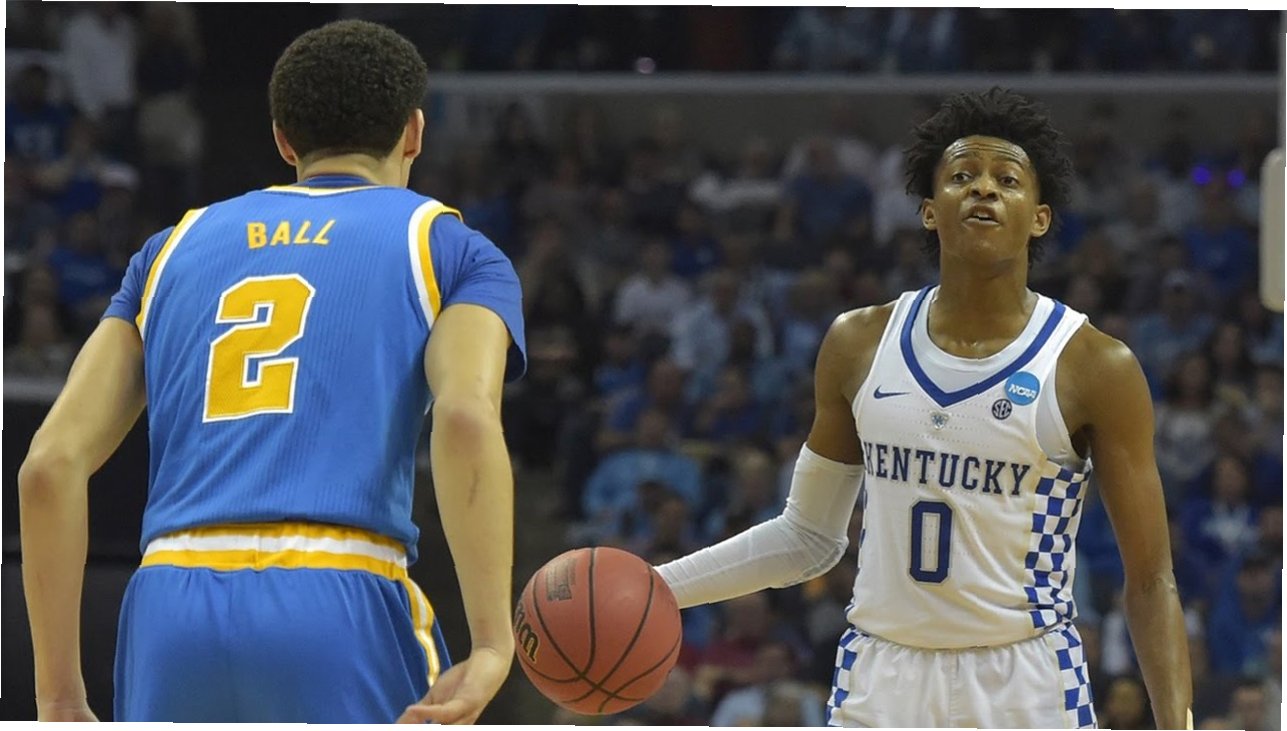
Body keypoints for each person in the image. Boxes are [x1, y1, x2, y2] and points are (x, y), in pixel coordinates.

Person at [19, 20, 526, 724]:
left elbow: (47, 466)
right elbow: (465, 418)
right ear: (413, 132)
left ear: (284, 140)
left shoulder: (168, 250)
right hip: (338, 589)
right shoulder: (450, 248)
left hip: (170, 600)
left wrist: (57, 695)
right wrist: (494, 641)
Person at [655, 88, 1192, 728]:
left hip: (1025, 681)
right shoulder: (858, 342)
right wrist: (657, 588)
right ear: (930, 211)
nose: (983, 188)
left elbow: (1151, 579)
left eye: (1007, 180)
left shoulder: (1095, 365)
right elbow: (807, 537)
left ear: (1040, 218)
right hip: (882, 677)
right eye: (962, 176)